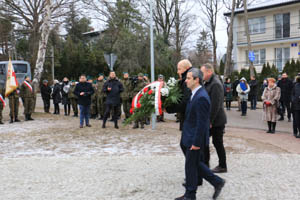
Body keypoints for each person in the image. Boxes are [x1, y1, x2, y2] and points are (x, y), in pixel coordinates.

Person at [175, 68, 225, 200]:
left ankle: (190, 195)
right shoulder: (194, 94)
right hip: (189, 136)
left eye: (189, 78)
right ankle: (217, 182)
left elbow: (202, 124)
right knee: (196, 164)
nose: (185, 80)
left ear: (197, 80)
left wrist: (196, 143)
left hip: (194, 139)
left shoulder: (201, 97)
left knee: (190, 167)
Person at [200, 63, 227, 174]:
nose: (201, 75)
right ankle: (206, 164)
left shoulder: (215, 84)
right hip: (212, 120)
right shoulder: (208, 82)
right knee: (206, 142)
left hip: (216, 120)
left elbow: (215, 104)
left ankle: (222, 165)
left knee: (217, 142)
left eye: (203, 72)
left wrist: (210, 121)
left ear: (209, 72)